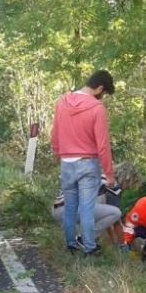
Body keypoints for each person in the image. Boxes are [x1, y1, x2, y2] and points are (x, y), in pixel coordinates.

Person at [51, 70, 116, 255]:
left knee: (70, 206)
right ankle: (89, 247)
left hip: (66, 163)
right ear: (100, 89)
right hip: (88, 164)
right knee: (87, 208)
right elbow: (103, 146)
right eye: (103, 94)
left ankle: (71, 244)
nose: (102, 98)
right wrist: (109, 174)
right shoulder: (97, 108)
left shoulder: (62, 102)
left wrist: (58, 153)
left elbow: (54, 135)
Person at [51, 175, 123, 250]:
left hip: (57, 210)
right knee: (116, 213)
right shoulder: (103, 178)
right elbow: (116, 220)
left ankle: (77, 243)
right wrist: (122, 245)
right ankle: (84, 238)